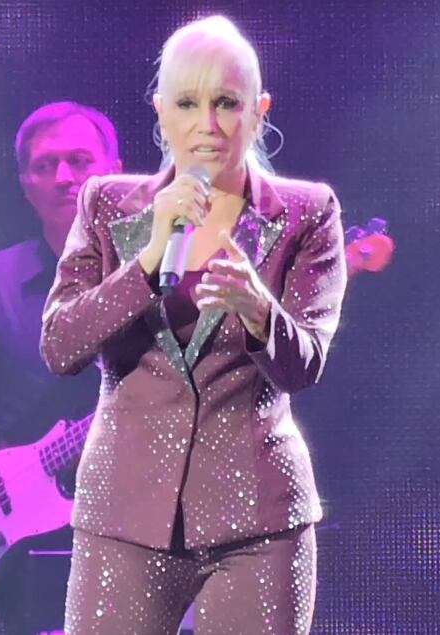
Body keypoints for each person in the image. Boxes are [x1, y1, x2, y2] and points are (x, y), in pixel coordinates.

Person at [41, 16, 347, 635]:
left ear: (259, 111)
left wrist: (259, 307)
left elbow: (306, 364)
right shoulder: (105, 204)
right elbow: (60, 345)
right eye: (187, 103)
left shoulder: (306, 214)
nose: (207, 126)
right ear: (161, 111)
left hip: (258, 524)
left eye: (226, 104)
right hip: (122, 517)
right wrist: (148, 261)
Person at [0, 101, 121, 634]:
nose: (63, 176)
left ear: (113, 172)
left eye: (81, 159)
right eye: (44, 165)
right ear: (24, 183)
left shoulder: (162, 275)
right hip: (29, 549)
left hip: (139, 528)